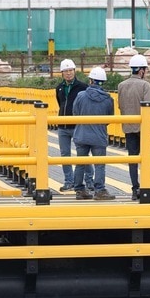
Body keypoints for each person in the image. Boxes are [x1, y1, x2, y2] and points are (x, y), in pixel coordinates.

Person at [117, 53, 150, 200]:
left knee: (133, 159)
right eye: (146, 70)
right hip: (144, 128)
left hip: (128, 127)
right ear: (141, 70)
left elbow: (120, 105)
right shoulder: (145, 85)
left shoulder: (121, 85)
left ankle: (135, 188)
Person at [71, 66, 114, 200]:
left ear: (90, 81)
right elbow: (109, 118)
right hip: (99, 136)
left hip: (81, 134)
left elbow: (75, 113)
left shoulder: (80, 96)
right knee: (99, 164)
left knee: (80, 163)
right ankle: (99, 190)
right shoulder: (108, 99)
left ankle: (79, 189)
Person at [52, 58, 86, 193]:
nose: (68, 73)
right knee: (64, 154)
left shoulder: (82, 87)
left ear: (74, 71)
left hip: (77, 125)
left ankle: (88, 181)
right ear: (61, 73)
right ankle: (68, 181)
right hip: (63, 127)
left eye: (70, 70)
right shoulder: (59, 88)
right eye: (65, 71)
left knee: (82, 154)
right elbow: (61, 104)